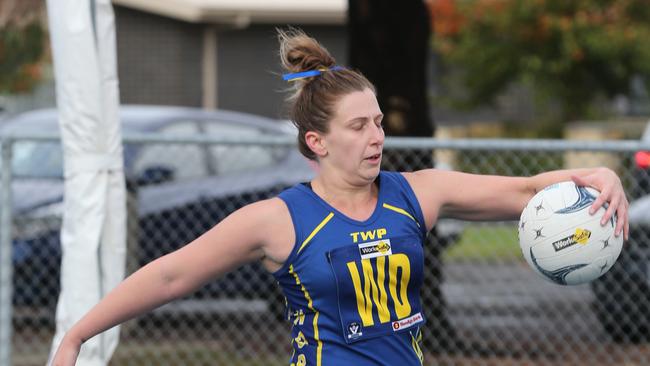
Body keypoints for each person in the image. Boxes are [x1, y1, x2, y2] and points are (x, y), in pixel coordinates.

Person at [50, 29, 629, 366]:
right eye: (358, 126)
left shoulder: (414, 195)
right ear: (316, 141)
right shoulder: (279, 220)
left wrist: (595, 175)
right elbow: (171, 276)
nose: (376, 136)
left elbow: (527, 191)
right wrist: (77, 334)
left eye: (378, 122)